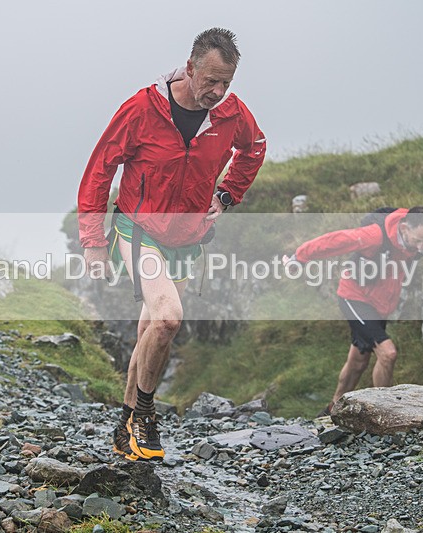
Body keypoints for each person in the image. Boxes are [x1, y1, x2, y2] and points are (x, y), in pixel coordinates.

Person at [77, 28, 266, 460]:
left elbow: (255, 147)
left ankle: (125, 425)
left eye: (226, 83)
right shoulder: (143, 109)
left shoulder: (231, 114)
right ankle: (146, 413)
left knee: (152, 333)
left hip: (187, 237)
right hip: (138, 230)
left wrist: (228, 193)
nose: (218, 92)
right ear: (190, 67)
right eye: (211, 81)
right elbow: (100, 169)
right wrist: (92, 240)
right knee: (168, 318)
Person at [282, 207, 423, 416]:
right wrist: (298, 258)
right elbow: (334, 241)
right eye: (417, 241)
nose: (421, 248)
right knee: (388, 354)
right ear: (404, 228)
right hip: (354, 297)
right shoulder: (374, 235)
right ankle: (384, 413)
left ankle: (332, 410)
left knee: (358, 362)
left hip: (380, 306)